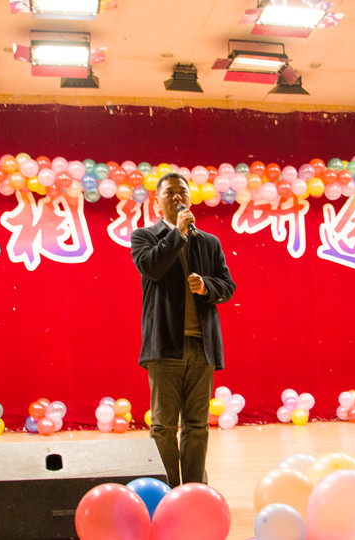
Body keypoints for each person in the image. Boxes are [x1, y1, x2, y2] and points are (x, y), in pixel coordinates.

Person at [130, 172, 236, 487]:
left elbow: (228, 286)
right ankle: (167, 491)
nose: (177, 197)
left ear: (190, 199)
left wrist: (206, 286)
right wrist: (177, 233)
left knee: (197, 425)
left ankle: (192, 491)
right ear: (157, 201)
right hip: (165, 347)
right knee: (163, 426)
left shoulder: (209, 242)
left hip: (202, 348)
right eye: (170, 193)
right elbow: (153, 267)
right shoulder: (144, 237)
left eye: (183, 192)